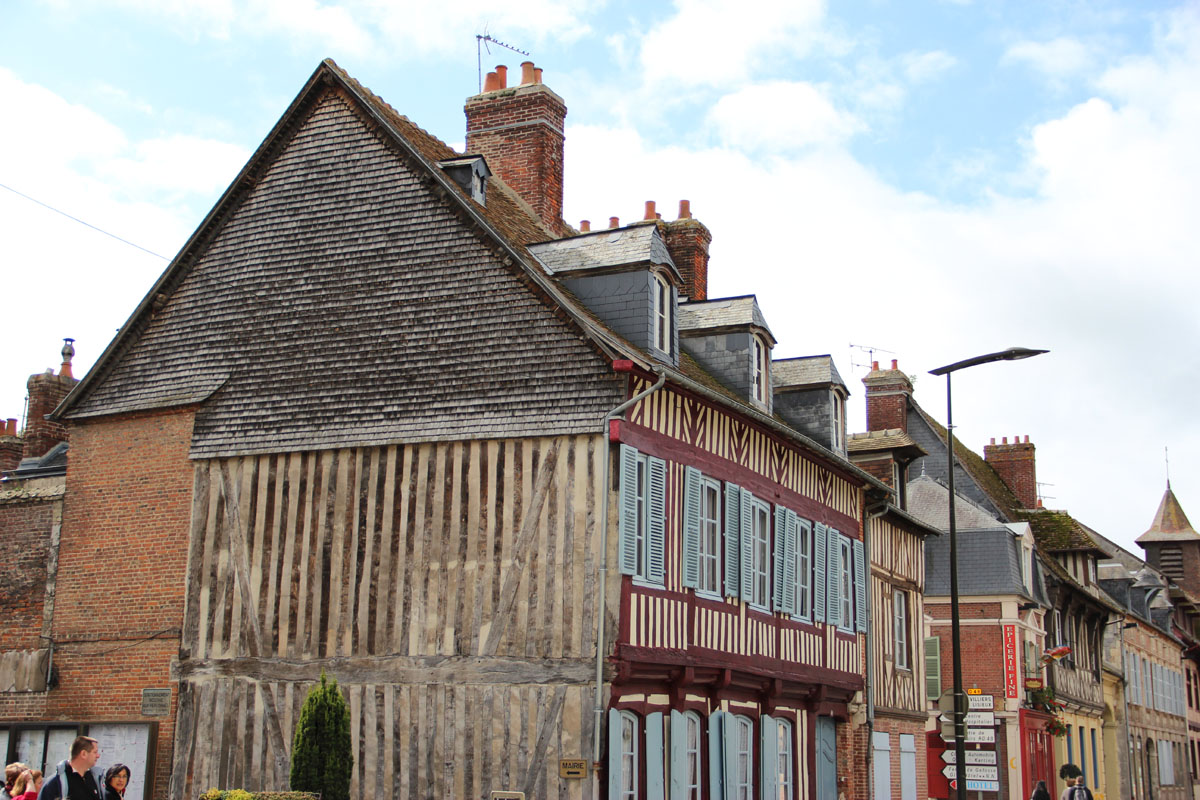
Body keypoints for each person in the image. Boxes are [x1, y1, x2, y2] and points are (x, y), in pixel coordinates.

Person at [36, 736, 103, 800]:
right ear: (83, 754)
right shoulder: (56, 782)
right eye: (95, 752)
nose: (98, 756)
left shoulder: (94, 779)